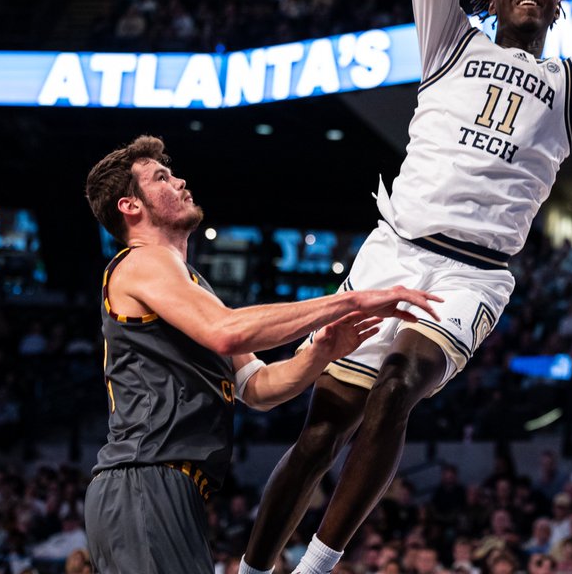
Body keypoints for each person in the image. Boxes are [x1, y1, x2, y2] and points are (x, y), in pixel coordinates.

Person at [240, 0, 572, 574]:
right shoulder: (448, 44)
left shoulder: (571, 83)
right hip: (393, 249)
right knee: (322, 431)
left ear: (559, 7)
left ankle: (317, 567)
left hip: (472, 274)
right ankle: (252, 569)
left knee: (399, 383)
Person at [78, 136, 440, 574]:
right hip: (143, 477)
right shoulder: (141, 262)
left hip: (168, 485)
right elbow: (227, 332)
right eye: (161, 177)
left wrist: (321, 353)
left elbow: (259, 387)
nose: (180, 180)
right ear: (130, 207)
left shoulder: (191, 288)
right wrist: (352, 300)